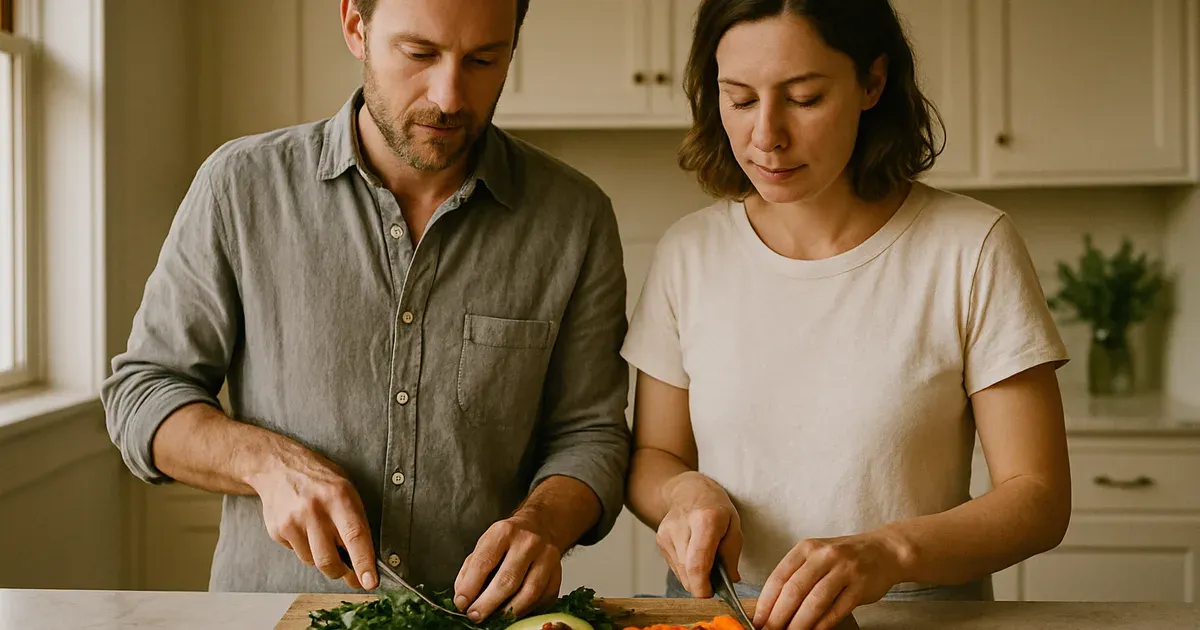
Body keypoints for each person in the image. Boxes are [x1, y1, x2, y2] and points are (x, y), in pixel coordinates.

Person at [102, 0, 631, 620]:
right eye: (420, 53)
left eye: (483, 60)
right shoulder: (239, 186)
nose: (449, 97)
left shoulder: (575, 218)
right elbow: (142, 395)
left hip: (473, 621)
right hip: (276, 616)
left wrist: (543, 524)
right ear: (357, 26)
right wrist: (267, 465)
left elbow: (590, 434)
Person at [621, 0, 1072, 628]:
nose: (766, 135)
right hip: (721, 612)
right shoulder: (687, 252)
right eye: (740, 99)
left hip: (913, 617)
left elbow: (1038, 497)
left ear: (872, 82)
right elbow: (653, 454)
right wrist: (683, 492)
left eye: (803, 98)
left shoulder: (971, 247)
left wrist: (890, 552)